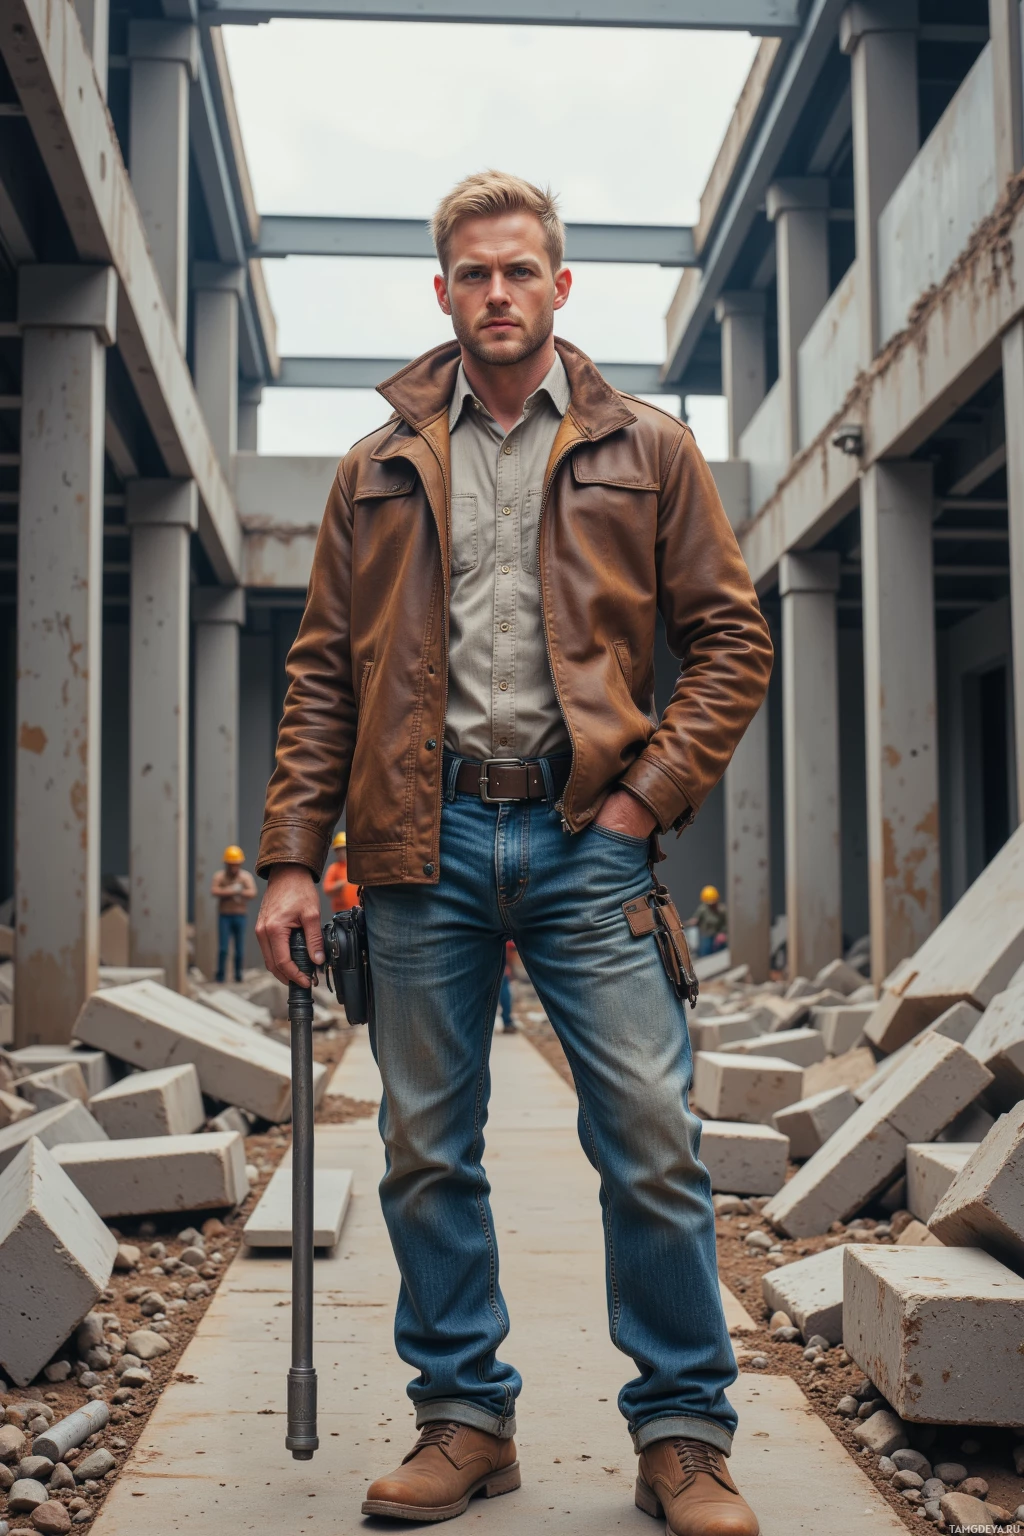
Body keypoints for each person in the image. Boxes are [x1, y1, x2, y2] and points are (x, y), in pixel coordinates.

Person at [255, 171, 772, 1536]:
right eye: (472, 274)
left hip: (583, 838)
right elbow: (321, 675)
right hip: (417, 845)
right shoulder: (374, 469)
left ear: (558, 286)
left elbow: (730, 641)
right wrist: (294, 860)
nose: (496, 293)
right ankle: (465, 1421)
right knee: (428, 1146)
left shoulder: (646, 451)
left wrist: (643, 799)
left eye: (519, 272)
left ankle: (682, 1435)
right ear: (442, 292)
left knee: (653, 1140)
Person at [211, 846, 257, 984]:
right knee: (223, 948)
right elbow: (214, 891)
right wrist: (231, 890)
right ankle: (220, 976)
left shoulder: (245, 877)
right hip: (224, 916)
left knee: (239, 949)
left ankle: (238, 975)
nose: (233, 868)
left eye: (236, 865)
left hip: (239, 916)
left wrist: (239, 891)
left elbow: (252, 892)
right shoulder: (220, 876)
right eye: (231, 865)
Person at [323, 830, 360, 914]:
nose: (342, 853)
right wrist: (342, 884)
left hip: (359, 909)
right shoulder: (334, 868)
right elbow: (327, 888)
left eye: (344, 849)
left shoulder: (357, 867)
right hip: (341, 911)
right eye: (339, 850)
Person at [690, 885, 728, 958]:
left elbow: (726, 923)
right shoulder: (703, 909)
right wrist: (694, 921)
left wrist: (723, 933)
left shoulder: (722, 910)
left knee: (721, 954)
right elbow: (696, 918)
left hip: (718, 936)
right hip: (706, 936)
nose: (711, 905)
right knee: (705, 953)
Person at [497, 938, 516, 1033]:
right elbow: (510, 953)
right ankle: (507, 1022)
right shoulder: (508, 941)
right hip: (502, 969)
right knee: (505, 996)